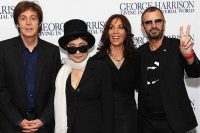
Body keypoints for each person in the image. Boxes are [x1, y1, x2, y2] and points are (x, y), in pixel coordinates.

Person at [0, 1, 61, 133]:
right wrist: (18, 120)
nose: (28, 23)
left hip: (44, 126)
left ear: (39, 23)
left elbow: (55, 90)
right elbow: (1, 89)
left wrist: (43, 119)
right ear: (17, 23)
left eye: (33, 18)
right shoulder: (3, 50)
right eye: (23, 18)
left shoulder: (52, 52)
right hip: (11, 125)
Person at [137, 6, 200, 133]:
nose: (153, 25)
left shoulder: (177, 46)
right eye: (148, 22)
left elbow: (196, 72)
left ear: (164, 24)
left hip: (177, 123)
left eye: (158, 21)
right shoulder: (139, 53)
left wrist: (188, 55)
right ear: (143, 27)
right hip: (147, 125)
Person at [54, 19, 113, 133]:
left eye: (82, 47)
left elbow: (108, 108)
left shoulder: (100, 68)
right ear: (66, 48)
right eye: (72, 47)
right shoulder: (61, 72)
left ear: (88, 46)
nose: (77, 52)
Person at [94, 14, 138, 133]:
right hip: (104, 120)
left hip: (130, 120)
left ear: (126, 31)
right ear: (107, 32)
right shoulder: (96, 61)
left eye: (120, 27)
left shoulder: (136, 58)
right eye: (111, 27)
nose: (115, 31)